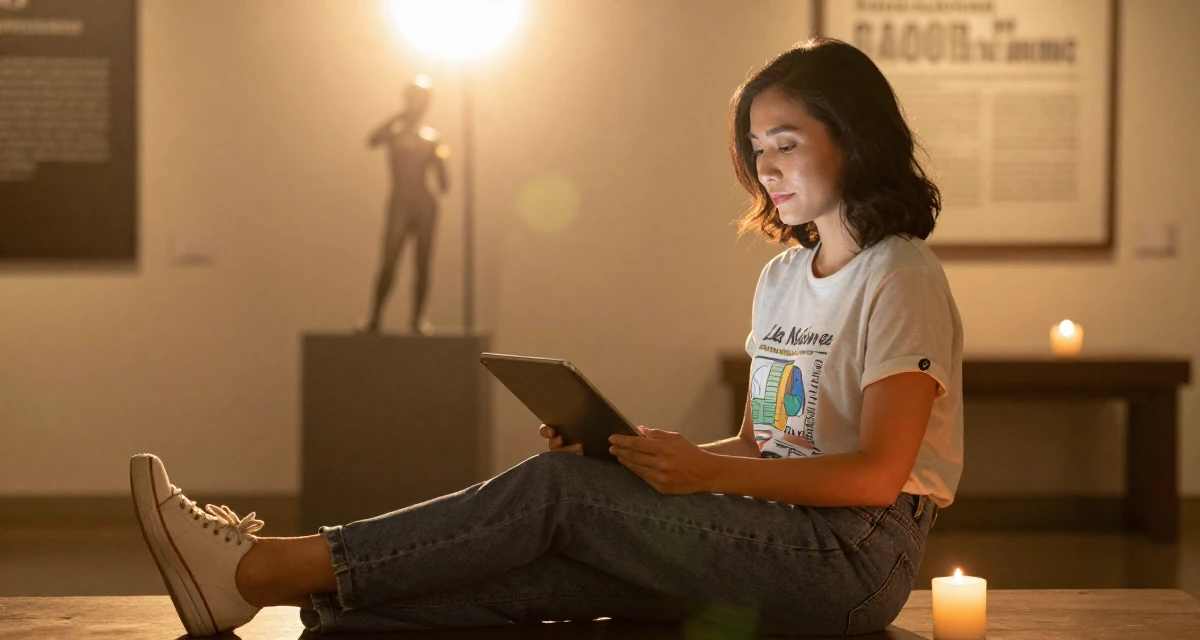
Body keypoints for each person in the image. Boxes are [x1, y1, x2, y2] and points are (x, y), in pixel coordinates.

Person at [129, 37, 962, 637]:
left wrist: (698, 474)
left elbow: (876, 475)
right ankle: (311, 602)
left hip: (853, 563)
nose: (766, 168)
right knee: (508, 571)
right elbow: (762, 444)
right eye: (756, 149)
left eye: (787, 144)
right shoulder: (782, 278)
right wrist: (638, 455)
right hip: (763, 529)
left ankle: (259, 566)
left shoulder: (902, 276)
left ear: (853, 142)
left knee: (554, 496)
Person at [360, 74, 449, 336]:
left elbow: (444, 181)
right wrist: (400, 116)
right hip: (400, 202)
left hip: (423, 204)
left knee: (422, 262)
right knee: (389, 260)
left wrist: (441, 160)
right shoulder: (394, 135)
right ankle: (375, 317)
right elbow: (372, 139)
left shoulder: (432, 139)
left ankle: (417, 319)